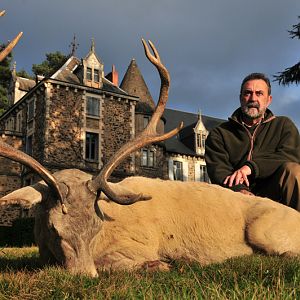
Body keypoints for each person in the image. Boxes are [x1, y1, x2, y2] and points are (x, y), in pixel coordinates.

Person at [205, 72, 300, 210]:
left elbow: (290, 155)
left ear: (269, 99)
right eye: (247, 93)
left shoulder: (283, 126)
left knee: (295, 171)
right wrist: (241, 191)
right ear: (240, 98)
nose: (253, 98)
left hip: (275, 194)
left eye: (259, 93)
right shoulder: (219, 134)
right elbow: (219, 170)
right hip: (236, 198)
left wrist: (251, 167)